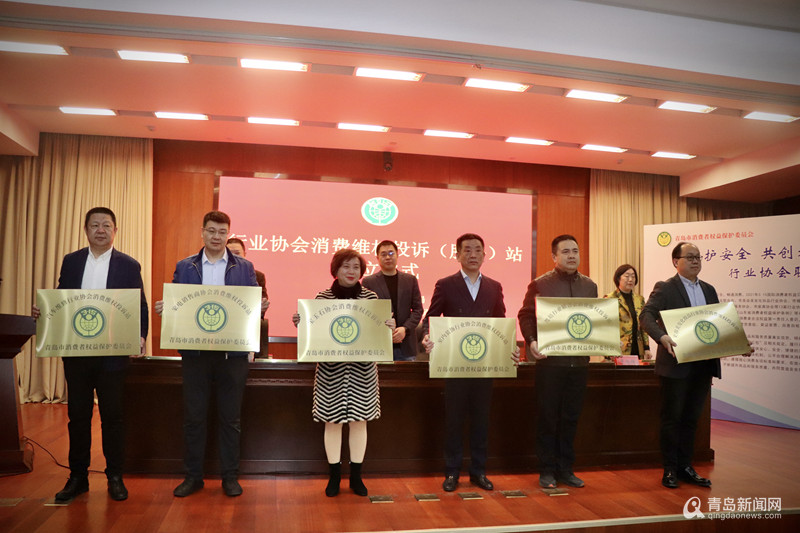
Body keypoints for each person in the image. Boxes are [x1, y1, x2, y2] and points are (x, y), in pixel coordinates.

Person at [31, 207, 148, 503]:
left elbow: (140, 305)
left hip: (113, 355)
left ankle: (115, 476)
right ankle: (78, 477)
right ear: (86, 230)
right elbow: (62, 299)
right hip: (77, 354)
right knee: (78, 417)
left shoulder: (129, 265)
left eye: (106, 225)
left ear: (115, 231)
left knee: (113, 418)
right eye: (95, 225)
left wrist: (141, 336)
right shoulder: (71, 261)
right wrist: (45, 311)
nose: (100, 230)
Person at [155, 211, 268, 498]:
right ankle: (193, 477)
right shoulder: (186, 266)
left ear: (228, 234)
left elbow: (252, 308)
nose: (217, 236)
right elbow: (179, 305)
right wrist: (167, 308)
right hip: (196, 354)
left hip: (233, 355)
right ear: (202, 232)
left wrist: (260, 307)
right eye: (212, 231)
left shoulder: (245, 267)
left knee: (231, 418)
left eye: (222, 232)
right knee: (194, 417)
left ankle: (230, 477)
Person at [640, 242, 752, 489]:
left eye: (698, 257)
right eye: (689, 257)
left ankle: (686, 467)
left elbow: (716, 326)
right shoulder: (666, 288)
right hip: (676, 365)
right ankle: (670, 469)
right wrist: (661, 336)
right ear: (675, 261)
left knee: (692, 419)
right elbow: (645, 316)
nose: (695, 261)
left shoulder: (709, 290)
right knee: (672, 419)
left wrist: (738, 345)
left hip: (703, 365)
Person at [292, 248, 394, 497]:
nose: (351, 271)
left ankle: (356, 477)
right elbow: (314, 334)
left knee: (360, 422)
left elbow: (377, 334)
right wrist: (302, 323)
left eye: (356, 267)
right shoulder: (322, 298)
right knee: (332, 422)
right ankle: (334, 476)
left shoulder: (371, 298)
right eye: (346, 266)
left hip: (363, 371)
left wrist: (388, 326)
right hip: (331, 371)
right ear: (335, 270)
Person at [421, 233, 517, 493]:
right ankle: (452, 472)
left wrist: (509, 349)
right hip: (455, 365)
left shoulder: (494, 286)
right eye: (467, 250)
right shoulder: (445, 284)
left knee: (481, 420)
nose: (473, 255)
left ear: (485, 255)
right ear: (457, 255)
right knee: (454, 420)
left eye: (477, 250)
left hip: (485, 365)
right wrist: (427, 336)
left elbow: (501, 323)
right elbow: (430, 319)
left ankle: (478, 471)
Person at [517, 234, 597, 489]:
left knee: (571, 418)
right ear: (554, 256)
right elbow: (525, 315)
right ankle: (547, 470)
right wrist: (531, 341)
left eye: (575, 251)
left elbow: (595, 320)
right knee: (548, 419)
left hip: (579, 363)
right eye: (565, 252)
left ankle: (566, 470)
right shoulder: (540, 284)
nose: (572, 255)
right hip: (551, 364)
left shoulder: (590, 286)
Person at [362, 240, 423, 361]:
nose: (388, 257)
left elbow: (418, 310)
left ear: (397, 255)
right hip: (379, 344)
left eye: (391, 253)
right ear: (377, 258)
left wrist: (404, 329)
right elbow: (365, 313)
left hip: (406, 346)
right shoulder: (368, 282)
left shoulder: (410, 280)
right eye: (383, 254)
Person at [227, 237, 270, 356]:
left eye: (237, 253)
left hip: (246, 327)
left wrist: (261, 306)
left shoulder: (256, 276)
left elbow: (262, 300)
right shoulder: (218, 274)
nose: (234, 257)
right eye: (230, 254)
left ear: (245, 255)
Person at [604, 264, 651, 360]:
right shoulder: (610, 299)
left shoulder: (639, 299)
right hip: (619, 350)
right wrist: (609, 350)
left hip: (637, 348)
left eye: (633, 276)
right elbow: (605, 327)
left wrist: (646, 348)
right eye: (627, 276)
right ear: (618, 278)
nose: (630, 279)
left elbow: (643, 324)